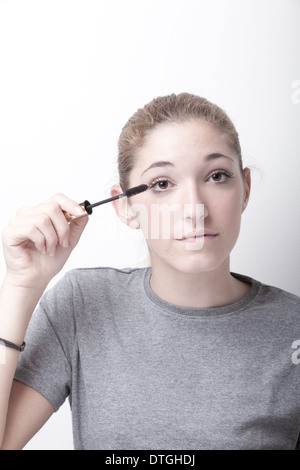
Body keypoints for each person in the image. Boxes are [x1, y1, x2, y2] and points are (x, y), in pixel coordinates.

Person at [0, 93, 299, 450]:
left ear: (245, 187)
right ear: (126, 206)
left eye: (217, 176)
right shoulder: (83, 304)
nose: (194, 209)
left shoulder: (292, 327)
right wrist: (21, 284)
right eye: (162, 184)